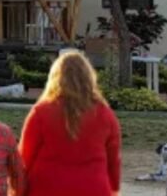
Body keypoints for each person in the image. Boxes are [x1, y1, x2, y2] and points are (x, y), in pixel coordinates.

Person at [19, 52, 121, 196]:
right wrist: (114, 187)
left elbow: (24, 158)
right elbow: (113, 161)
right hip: (93, 188)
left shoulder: (41, 112)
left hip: (46, 188)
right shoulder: (105, 115)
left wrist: (17, 189)